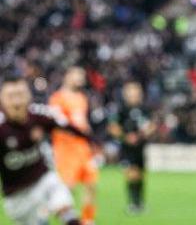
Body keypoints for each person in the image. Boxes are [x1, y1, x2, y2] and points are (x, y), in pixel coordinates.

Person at [0, 76, 87, 225]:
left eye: (20, 95)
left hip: (42, 179)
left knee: (61, 200)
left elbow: (66, 125)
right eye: (11, 96)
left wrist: (91, 140)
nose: (17, 102)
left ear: (28, 96)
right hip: (17, 196)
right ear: (2, 100)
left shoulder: (38, 115)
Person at [49, 66, 98, 225]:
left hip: (83, 148)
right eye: (77, 75)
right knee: (66, 188)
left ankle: (88, 220)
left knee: (91, 184)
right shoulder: (57, 98)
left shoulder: (81, 98)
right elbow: (56, 123)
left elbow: (83, 122)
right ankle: (47, 216)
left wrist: (90, 139)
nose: (80, 79)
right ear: (67, 76)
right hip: (66, 149)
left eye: (82, 76)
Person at [107, 81, 154, 215]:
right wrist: (125, 137)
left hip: (140, 148)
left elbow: (151, 126)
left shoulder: (144, 109)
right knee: (132, 174)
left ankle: (140, 203)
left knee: (140, 175)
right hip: (126, 148)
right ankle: (133, 204)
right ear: (126, 94)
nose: (134, 96)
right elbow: (112, 127)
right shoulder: (120, 109)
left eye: (136, 93)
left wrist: (142, 134)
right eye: (131, 93)